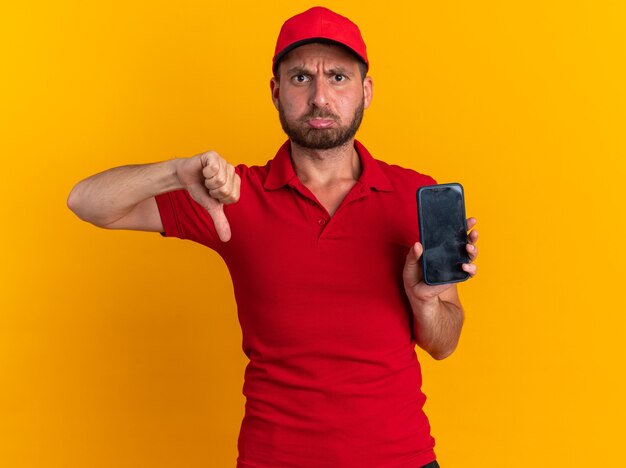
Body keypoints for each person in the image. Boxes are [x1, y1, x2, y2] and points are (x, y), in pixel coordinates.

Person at [67, 6, 478, 468]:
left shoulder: (416, 195)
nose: (321, 96)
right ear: (276, 92)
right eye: (301, 78)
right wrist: (173, 173)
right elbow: (86, 202)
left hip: (402, 458)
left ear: (366, 91)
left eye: (339, 77)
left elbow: (444, 344)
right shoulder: (233, 195)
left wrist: (425, 302)